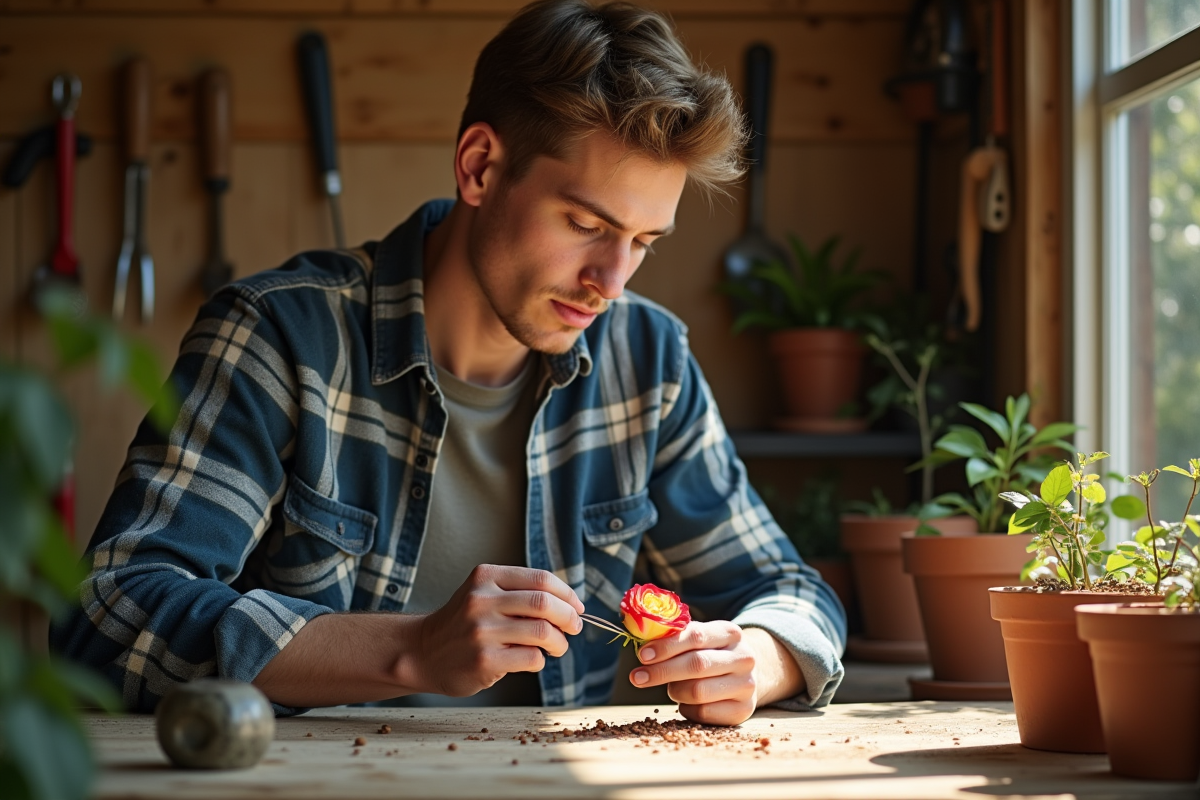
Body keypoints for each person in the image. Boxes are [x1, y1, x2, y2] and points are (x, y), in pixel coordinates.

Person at [52, 0, 845, 726]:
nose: (612, 281)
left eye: (643, 242)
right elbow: (108, 618)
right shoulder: (280, 336)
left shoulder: (649, 359)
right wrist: (408, 651)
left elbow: (789, 589)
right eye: (584, 223)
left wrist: (760, 656)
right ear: (478, 166)